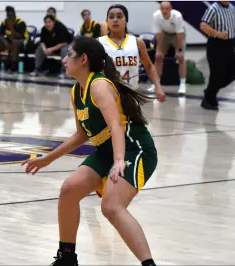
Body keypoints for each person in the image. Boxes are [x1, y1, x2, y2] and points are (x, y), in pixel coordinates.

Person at [21, 36, 158, 266]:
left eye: (69, 55)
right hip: (108, 151)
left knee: (111, 207)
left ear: (83, 59)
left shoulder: (99, 85)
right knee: (69, 190)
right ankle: (67, 258)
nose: (64, 60)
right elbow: (81, 135)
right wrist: (48, 159)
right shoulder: (77, 91)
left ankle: (149, 264)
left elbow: (116, 126)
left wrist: (118, 161)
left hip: (135, 149)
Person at [98, 4, 166, 102]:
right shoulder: (99, 43)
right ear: (107, 21)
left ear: (126, 20)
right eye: (111, 17)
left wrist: (158, 87)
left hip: (131, 96)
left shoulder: (137, 42)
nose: (115, 20)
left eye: (119, 16)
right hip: (107, 96)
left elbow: (149, 66)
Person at [199, 1, 235, 110]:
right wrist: (218, 33)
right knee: (217, 74)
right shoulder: (213, 9)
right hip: (216, 45)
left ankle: (210, 90)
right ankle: (208, 100)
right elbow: (203, 25)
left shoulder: (232, 8)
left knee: (232, 71)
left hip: (230, 44)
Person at [150, 1, 187, 95]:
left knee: (181, 57)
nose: (164, 11)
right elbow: (158, 34)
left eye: (167, 9)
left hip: (177, 34)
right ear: (160, 9)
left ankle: (182, 84)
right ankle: (156, 83)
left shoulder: (177, 16)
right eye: (162, 9)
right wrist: (158, 50)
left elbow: (179, 34)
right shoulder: (156, 16)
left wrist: (179, 50)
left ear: (171, 9)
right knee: (158, 57)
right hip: (164, 33)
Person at [0, 5, 28, 72]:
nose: (9, 17)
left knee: (14, 42)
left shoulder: (20, 22)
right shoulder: (4, 22)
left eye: (11, 15)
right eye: (8, 15)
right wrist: (5, 42)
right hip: (9, 41)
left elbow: (20, 36)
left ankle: (13, 66)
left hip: (21, 41)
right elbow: (0, 34)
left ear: (14, 14)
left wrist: (11, 29)